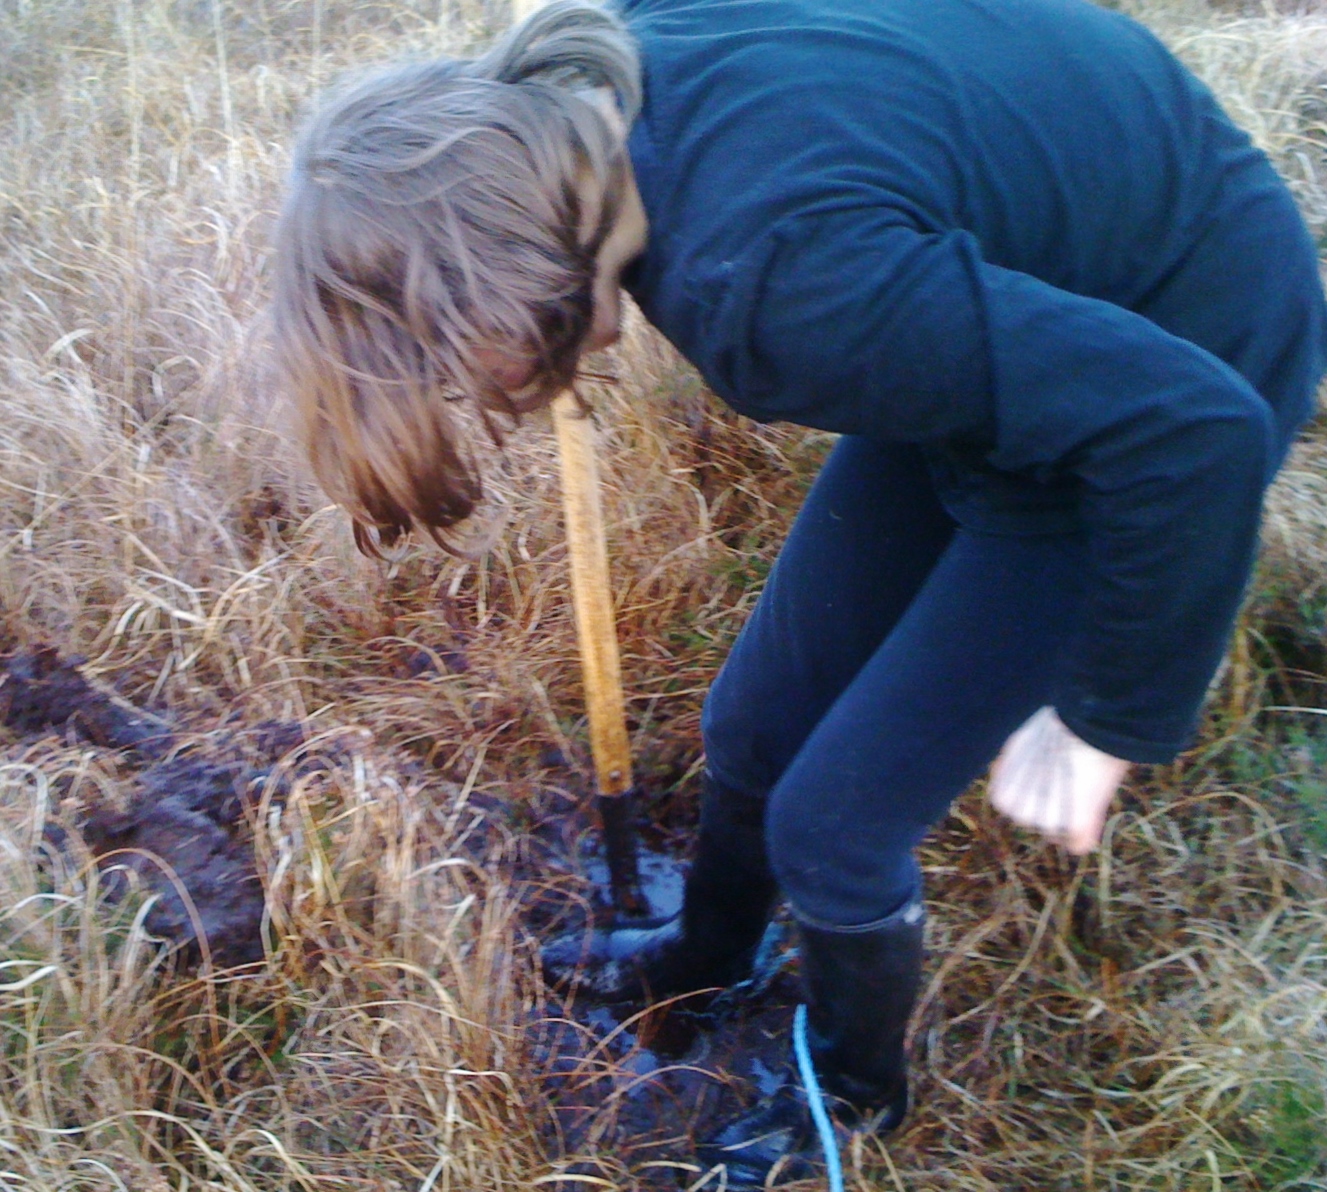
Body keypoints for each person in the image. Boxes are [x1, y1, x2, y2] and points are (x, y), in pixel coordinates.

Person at [271, 0, 1327, 1184]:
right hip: (1016, 297)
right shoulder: (608, 76)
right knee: (754, 724)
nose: (482, 396)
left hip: (1171, 354)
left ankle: (848, 1103)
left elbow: (1194, 433)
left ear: (508, 286)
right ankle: (705, 954)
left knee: (833, 827)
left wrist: (1106, 721)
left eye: (458, 368)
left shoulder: (771, 282)